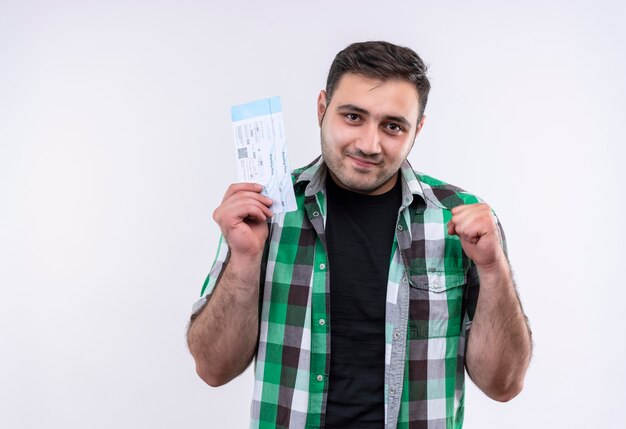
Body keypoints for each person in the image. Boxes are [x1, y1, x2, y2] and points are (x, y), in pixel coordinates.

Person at [187, 41, 532, 429]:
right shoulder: (266, 212)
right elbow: (213, 369)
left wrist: (492, 267)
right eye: (353, 116)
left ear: (417, 129)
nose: (369, 144)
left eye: (393, 126)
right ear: (322, 109)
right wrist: (246, 261)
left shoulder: (459, 220)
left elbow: (502, 385)